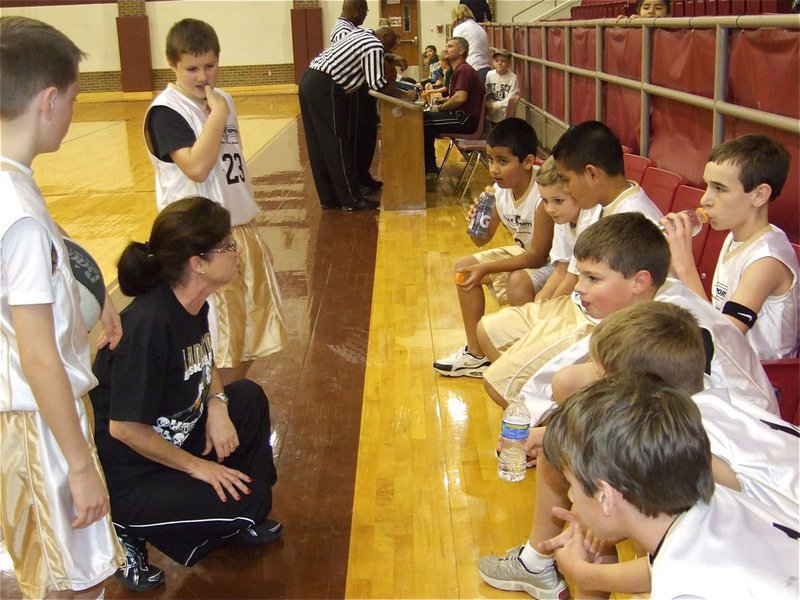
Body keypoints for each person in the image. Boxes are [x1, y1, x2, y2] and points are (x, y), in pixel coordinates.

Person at [480, 301, 799, 598]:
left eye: (600, 374)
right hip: (769, 542)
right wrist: (551, 434)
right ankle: (542, 565)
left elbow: (680, 561)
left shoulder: (697, 461)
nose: (590, 379)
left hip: (768, 555)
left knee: (612, 512)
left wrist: (583, 573)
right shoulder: (704, 409)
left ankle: (544, 567)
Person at [91, 197, 281, 591]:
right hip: (134, 476)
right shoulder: (147, 326)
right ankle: (122, 529)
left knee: (247, 397)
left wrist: (216, 403)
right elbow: (125, 429)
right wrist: (200, 468)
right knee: (252, 500)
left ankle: (228, 516)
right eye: (228, 246)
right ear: (198, 263)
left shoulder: (193, 304)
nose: (238, 250)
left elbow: (204, 361)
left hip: (173, 440)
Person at [0, 15, 123, 598]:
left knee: (36, 570)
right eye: (73, 98)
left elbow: (51, 259)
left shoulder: (12, 183)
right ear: (49, 101)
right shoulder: (18, 213)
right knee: (70, 582)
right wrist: (78, 464)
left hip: (20, 415)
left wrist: (91, 300)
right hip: (40, 423)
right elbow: (39, 355)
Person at [479, 213, 778, 418]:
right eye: (581, 276)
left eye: (593, 279)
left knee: (570, 382)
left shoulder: (660, 319)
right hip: (699, 416)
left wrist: (533, 424)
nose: (579, 288)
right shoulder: (656, 295)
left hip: (734, 428)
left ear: (640, 281)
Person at [542, 372, 799, 599]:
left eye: (571, 484)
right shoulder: (717, 501)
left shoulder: (683, 590)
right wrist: (585, 573)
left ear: (605, 497)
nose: (570, 496)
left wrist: (583, 573)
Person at [143, 18, 286, 385]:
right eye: (191, 68)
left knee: (251, 333)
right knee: (219, 339)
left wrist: (252, 232)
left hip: (237, 230)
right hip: (201, 241)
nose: (202, 76)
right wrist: (217, 117)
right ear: (172, 65)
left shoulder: (224, 101)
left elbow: (233, 174)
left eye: (209, 66)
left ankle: (228, 403)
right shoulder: (167, 111)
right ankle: (211, 408)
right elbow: (197, 167)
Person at [433, 119, 554, 377]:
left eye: (502, 161)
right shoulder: (498, 191)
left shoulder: (541, 195)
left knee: (517, 281)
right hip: (525, 254)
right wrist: (474, 223)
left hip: (548, 262)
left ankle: (522, 358)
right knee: (464, 269)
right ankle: (476, 354)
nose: (494, 169)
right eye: (491, 160)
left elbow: (537, 256)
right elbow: (481, 240)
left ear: (528, 162)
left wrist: (487, 267)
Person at [664, 134, 798, 360]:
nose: (705, 199)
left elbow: (724, 339)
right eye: (707, 186)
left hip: (762, 381)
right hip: (728, 367)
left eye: (719, 188)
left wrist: (684, 266)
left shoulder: (767, 260)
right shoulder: (733, 236)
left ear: (759, 195)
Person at [300, 25, 415, 210]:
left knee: (318, 145)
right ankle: (351, 200)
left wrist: (389, 58)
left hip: (309, 78)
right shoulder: (374, 45)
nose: (385, 53)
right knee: (337, 142)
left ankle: (329, 198)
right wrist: (404, 94)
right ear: (384, 36)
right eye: (389, 48)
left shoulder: (360, 33)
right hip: (326, 86)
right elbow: (378, 83)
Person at [523, 157, 588, 302]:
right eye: (545, 200)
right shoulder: (562, 217)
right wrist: (539, 304)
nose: (550, 209)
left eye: (558, 201)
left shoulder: (589, 220)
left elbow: (572, 279)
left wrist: (545, 313)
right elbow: (560, 270)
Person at [423, 36, 485, 175]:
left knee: (423, 121)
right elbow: (457, 97)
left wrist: (440, 108)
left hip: (464, 120)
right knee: (424, 119)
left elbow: (460, 98)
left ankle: (429, 169)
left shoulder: (463, 70)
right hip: (461, 116)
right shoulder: (460, 70)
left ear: (461, 51)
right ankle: (429, 167)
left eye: (450, 46)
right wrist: (444, 101)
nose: (445, 49)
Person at [451, 4, 493, 85]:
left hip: (472, 68)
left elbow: (455, 50)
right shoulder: (479, 27)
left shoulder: (459, 28)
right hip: (486, 69)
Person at [484, 49, 519, 124]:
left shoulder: (513, 78)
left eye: (503, 61)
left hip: (504, 115)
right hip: (491, 113)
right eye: (496, 61)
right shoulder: (490, 75)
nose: (499, 63)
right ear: (493, 62)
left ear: (509, 63)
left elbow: (512, 97)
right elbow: (486, 91)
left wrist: (496, 105)